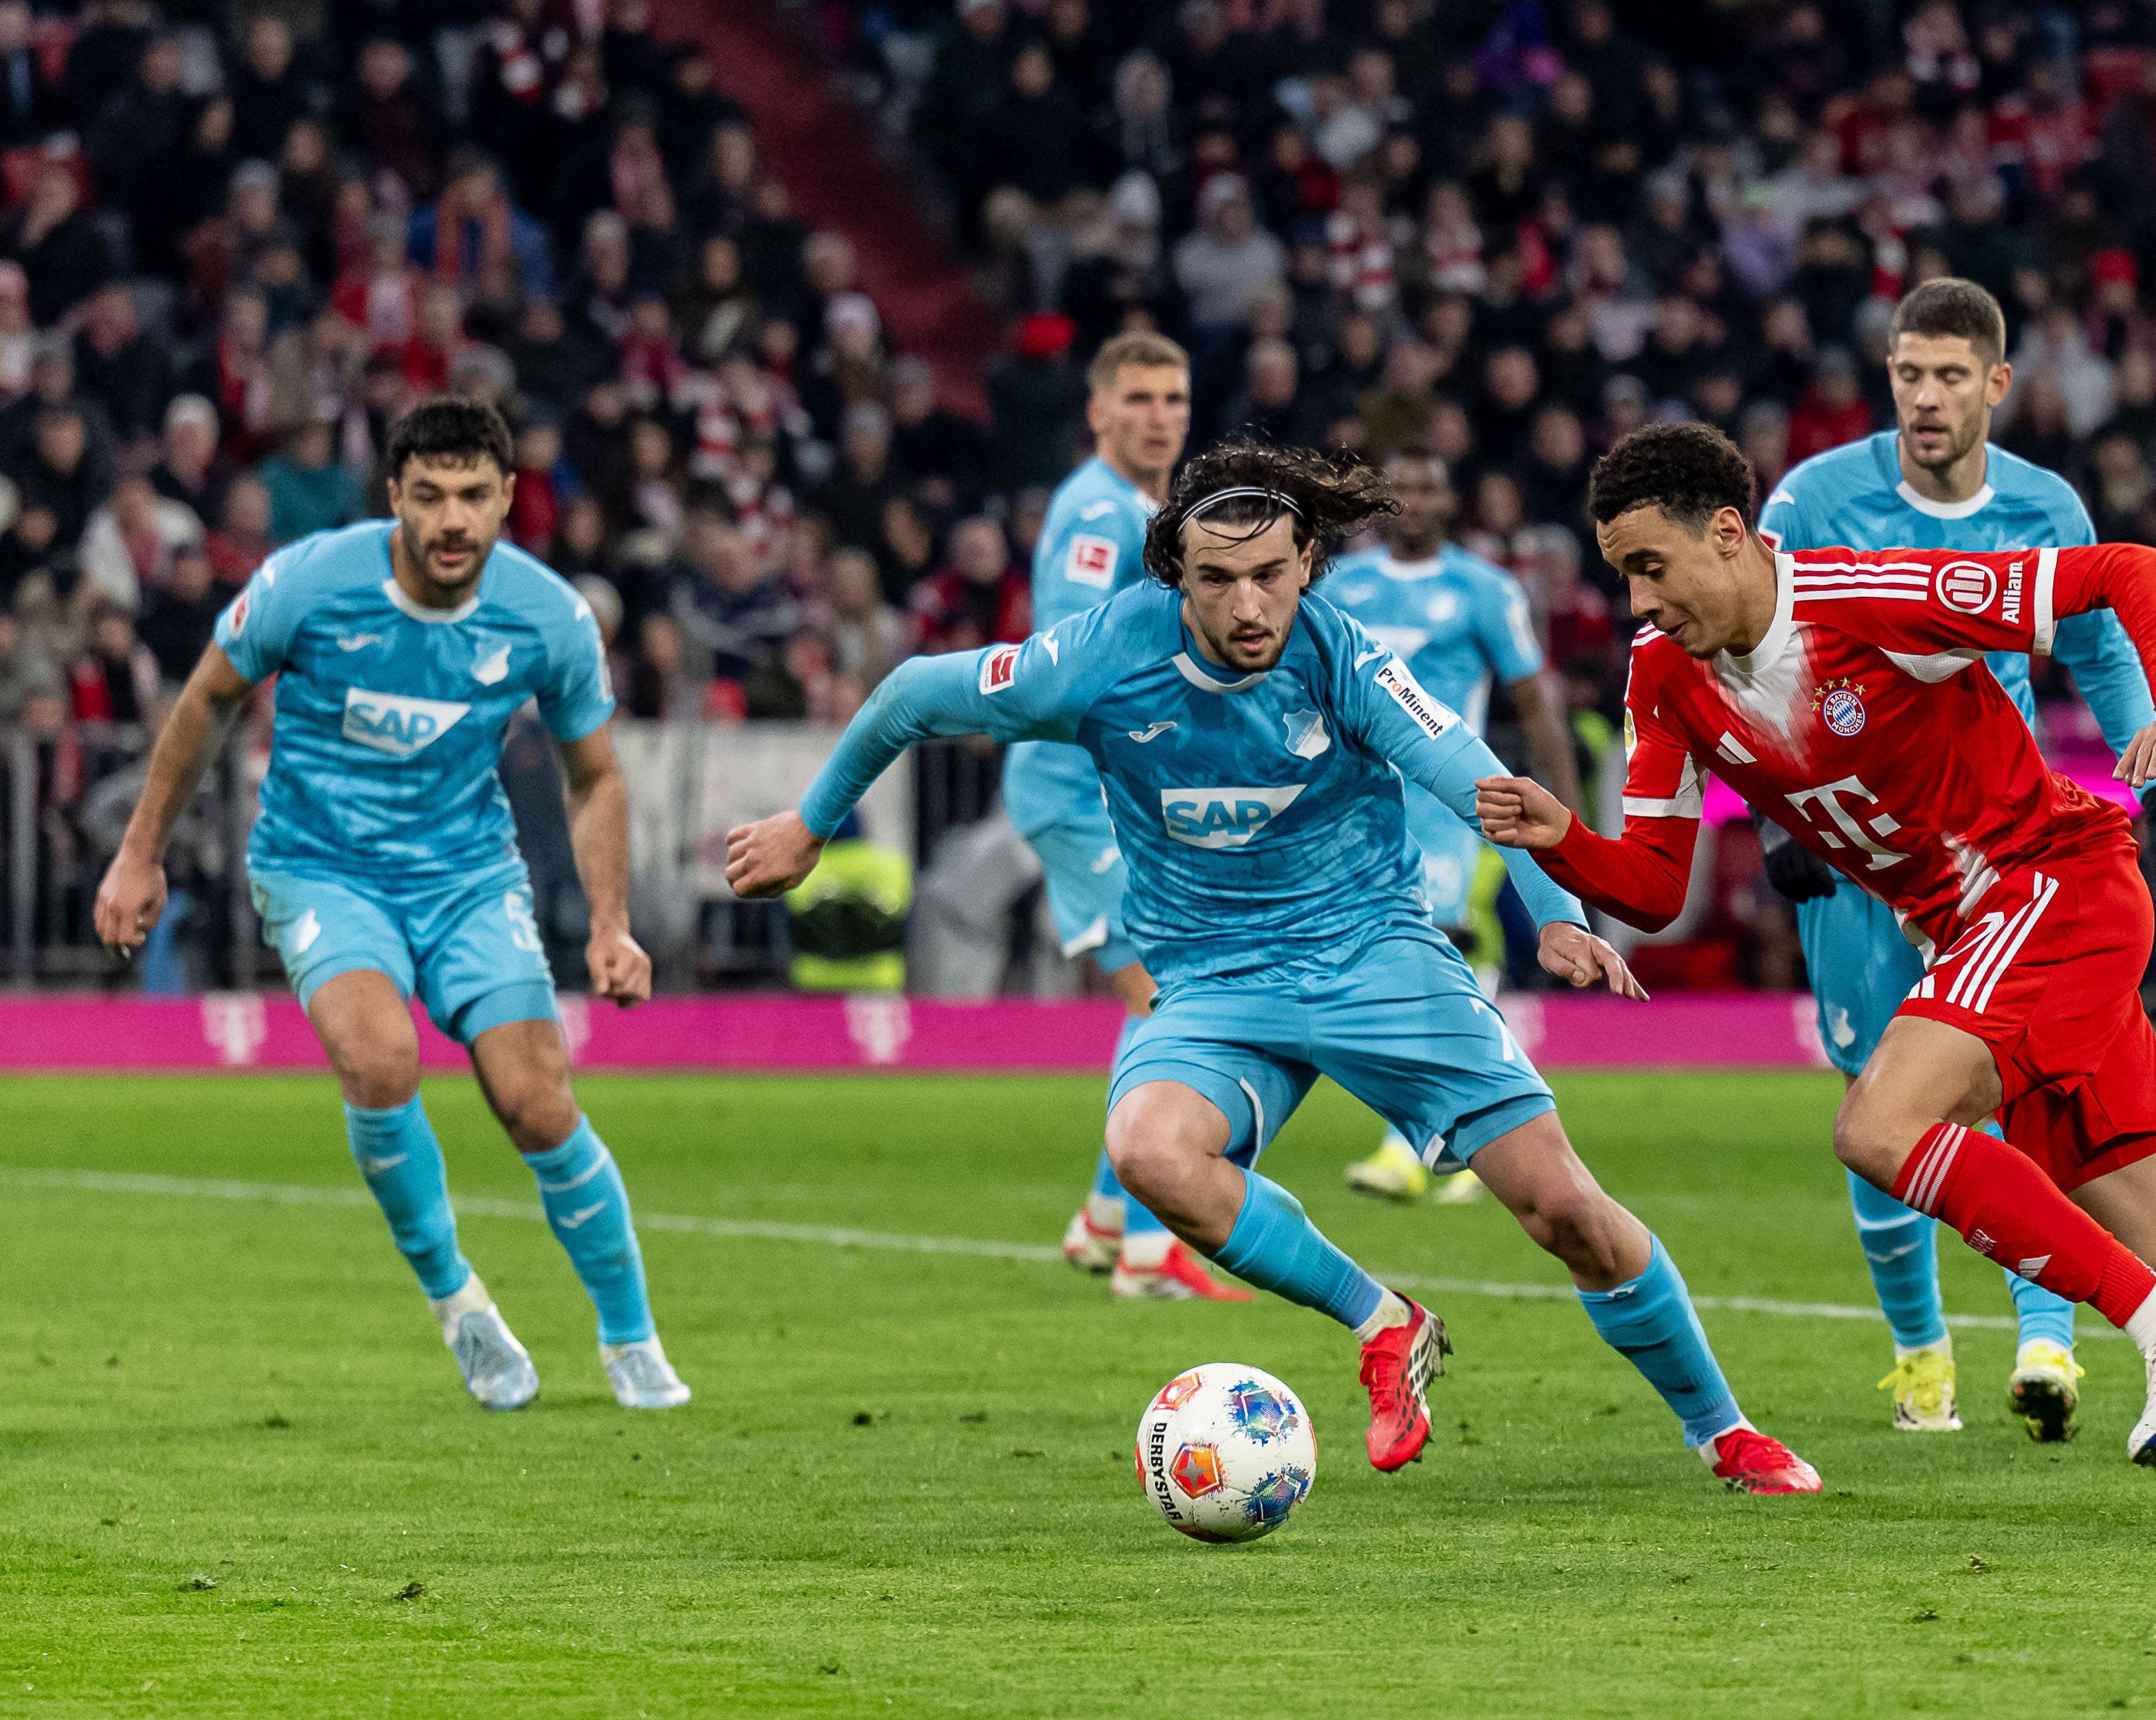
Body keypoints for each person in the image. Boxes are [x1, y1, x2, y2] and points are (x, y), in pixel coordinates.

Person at [1479, 423, 2156, 1520]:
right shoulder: (1664, 679)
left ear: (1727, 533)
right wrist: (1560, 834)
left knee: (1876, 1128)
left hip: (2057, 884)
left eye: (1649, 567)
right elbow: (1655, 885)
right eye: (1623, 577)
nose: (1639, 602)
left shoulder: (1875, 595)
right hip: (1993, 936)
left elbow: (2125, 571)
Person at [728, 436, 1819, 1495]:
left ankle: (1725, 1429)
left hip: (1375, 954)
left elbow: (1474, 776)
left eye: (1269, 576)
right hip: (1212, 979)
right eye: (1218, 580)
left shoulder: (1343, 654)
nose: (1249, 606)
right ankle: (1386, 1322)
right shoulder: (1102, 656)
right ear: (1177, 576)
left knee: (1564, 1210)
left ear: (1306, 564)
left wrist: (1553, 912)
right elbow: (917, 691)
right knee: (1150, 1151)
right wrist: (810, 825)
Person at [91, 399, 688, 1415]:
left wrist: (611, 921)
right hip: (322, 867)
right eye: (429, 496)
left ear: (507, 499)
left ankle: (631, 1335)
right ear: (395, 499)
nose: (452, 520)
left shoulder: (547, 616)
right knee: (379, 1057)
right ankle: (459, 1301)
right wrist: (138, 853)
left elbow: (596, 777)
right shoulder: (312, 582)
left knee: (537, 1101)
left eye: (472, 496)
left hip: (467, 874)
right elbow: (206, 697)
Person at [1755, 276, 2156, 1443]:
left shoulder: (2047, 506)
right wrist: (1768, 818)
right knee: (1876, 1101)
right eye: (1909, 373)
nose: (1926, 397)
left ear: (1997, 385)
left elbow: (2104, 655)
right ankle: (1920, 1353)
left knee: (2006, 1088)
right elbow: (1738, 647)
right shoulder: (1816, 498)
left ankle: (2046, 1338)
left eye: (1951, 375)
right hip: (1861, 849)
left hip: (1994, 848)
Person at [1007, 331, 1237, 1300]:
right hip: (1083, 791)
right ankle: (1150, 1252)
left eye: (1174, 397)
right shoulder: (1097, 511)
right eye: (1138, 397)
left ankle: (1105, 1221)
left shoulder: (1147, 510)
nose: (1159, 414)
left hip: (1111, 794)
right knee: (1172, 1000)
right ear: (1097, 411)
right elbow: (1069, 656)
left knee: (1170, 991)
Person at [1321, 445, 1580, 1206]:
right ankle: (1475, 1129)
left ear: (1446, 501)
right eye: (1398, 484)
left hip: (1448, 807)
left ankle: (1410, 1145)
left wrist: (1569, 820)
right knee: (1389, 966)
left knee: (1441, 951)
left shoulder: (1484, 590)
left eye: (1425, 483)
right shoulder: (1343, 585)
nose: (1411, 495)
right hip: (1354, 805)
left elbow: (1535, 699)